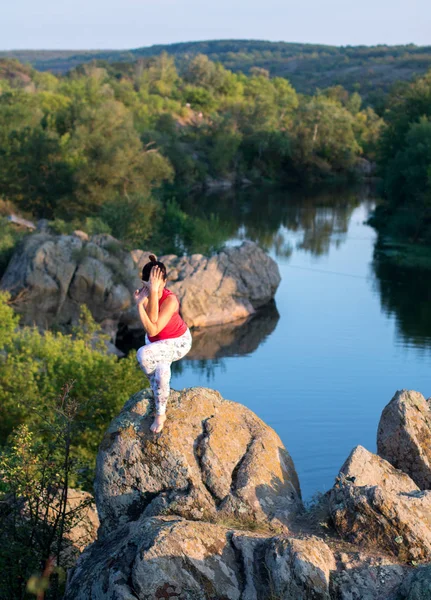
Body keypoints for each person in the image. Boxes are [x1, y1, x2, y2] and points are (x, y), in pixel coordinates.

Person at [134, 254, 192, 433]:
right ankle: (160, 397)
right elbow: (150, 328)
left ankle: (160, 413)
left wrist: (144, 301)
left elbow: (153, 328)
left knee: (144, 356)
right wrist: (140, 304)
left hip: (178, 341)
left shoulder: (170, 300)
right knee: (159, 373)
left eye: (157, 285)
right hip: (156, 342)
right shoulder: (146, 292)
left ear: (165, 282)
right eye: (147, 285)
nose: (153, 290)